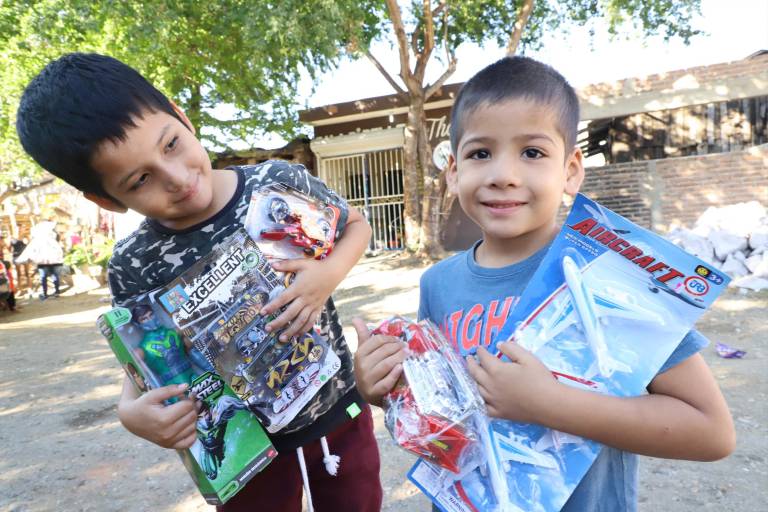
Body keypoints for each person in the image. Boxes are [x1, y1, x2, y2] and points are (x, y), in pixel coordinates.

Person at [353, 56, 735, 511]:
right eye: (480, 153)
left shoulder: (610, 278)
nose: (503, 174)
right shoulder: (438, 283)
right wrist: (382, 391)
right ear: (454, 172)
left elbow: (711, 431)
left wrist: (548, 403)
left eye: (532, 152)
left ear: (571, 169)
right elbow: (444, 416)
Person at [16, 52, 381, 512]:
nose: (176, 178)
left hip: (336, 414)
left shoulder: (275, 182)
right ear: (106, 201)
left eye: (170, 144)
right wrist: (131, 413)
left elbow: (356, 225)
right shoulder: (135, 264)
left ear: (181, 117)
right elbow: (146, 360)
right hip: (243, 449)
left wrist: (326, 276)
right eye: (140, 179)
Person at [15, 221, 64, 300]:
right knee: (53, 276)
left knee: (44, 277)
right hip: (51, 261)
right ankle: (55, 292)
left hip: (44, 261)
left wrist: (22, 259)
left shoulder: (40, 239)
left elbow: (29, 250)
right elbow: (59, 250)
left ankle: (47, 293)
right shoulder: (51, 238)